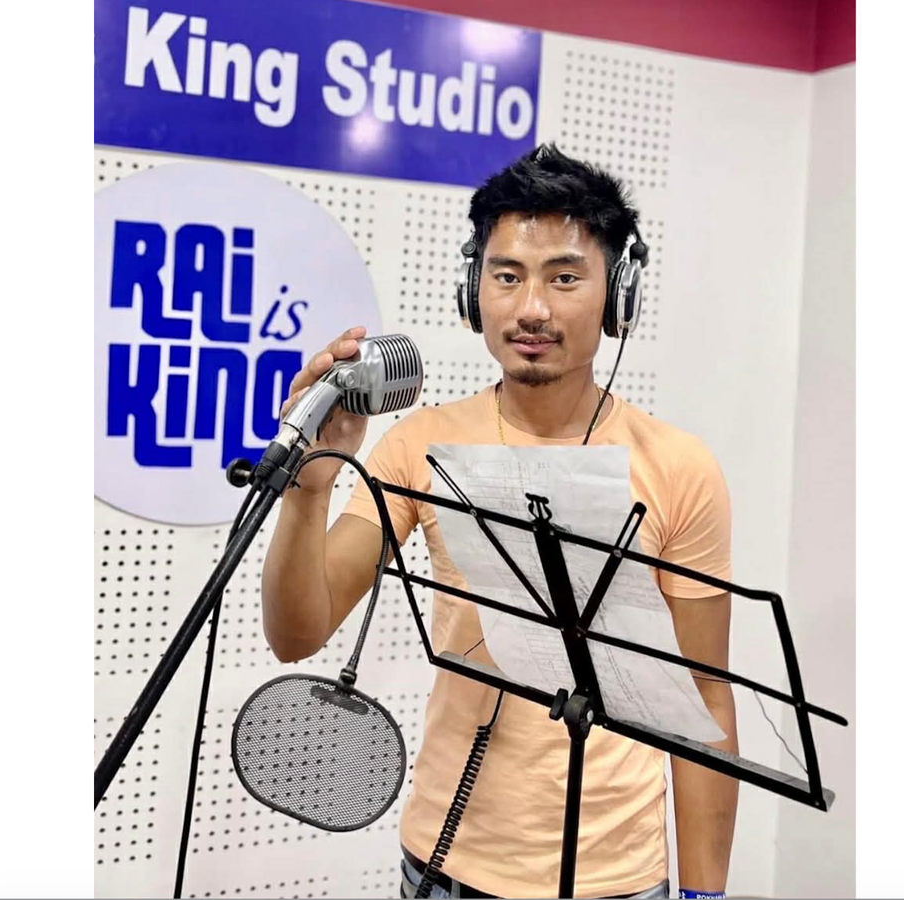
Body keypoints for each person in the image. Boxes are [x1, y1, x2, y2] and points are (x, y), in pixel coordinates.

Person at [261, 144, 738, 900]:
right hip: (443, 867)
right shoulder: (421, 443)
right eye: (507, 276)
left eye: (565, 278)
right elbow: (298, 634)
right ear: (472, 289)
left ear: (619, 296)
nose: (532, 309)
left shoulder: (679, 466)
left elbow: (706, 694)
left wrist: (704, 895)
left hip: (618, 880)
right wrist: (309, 488)